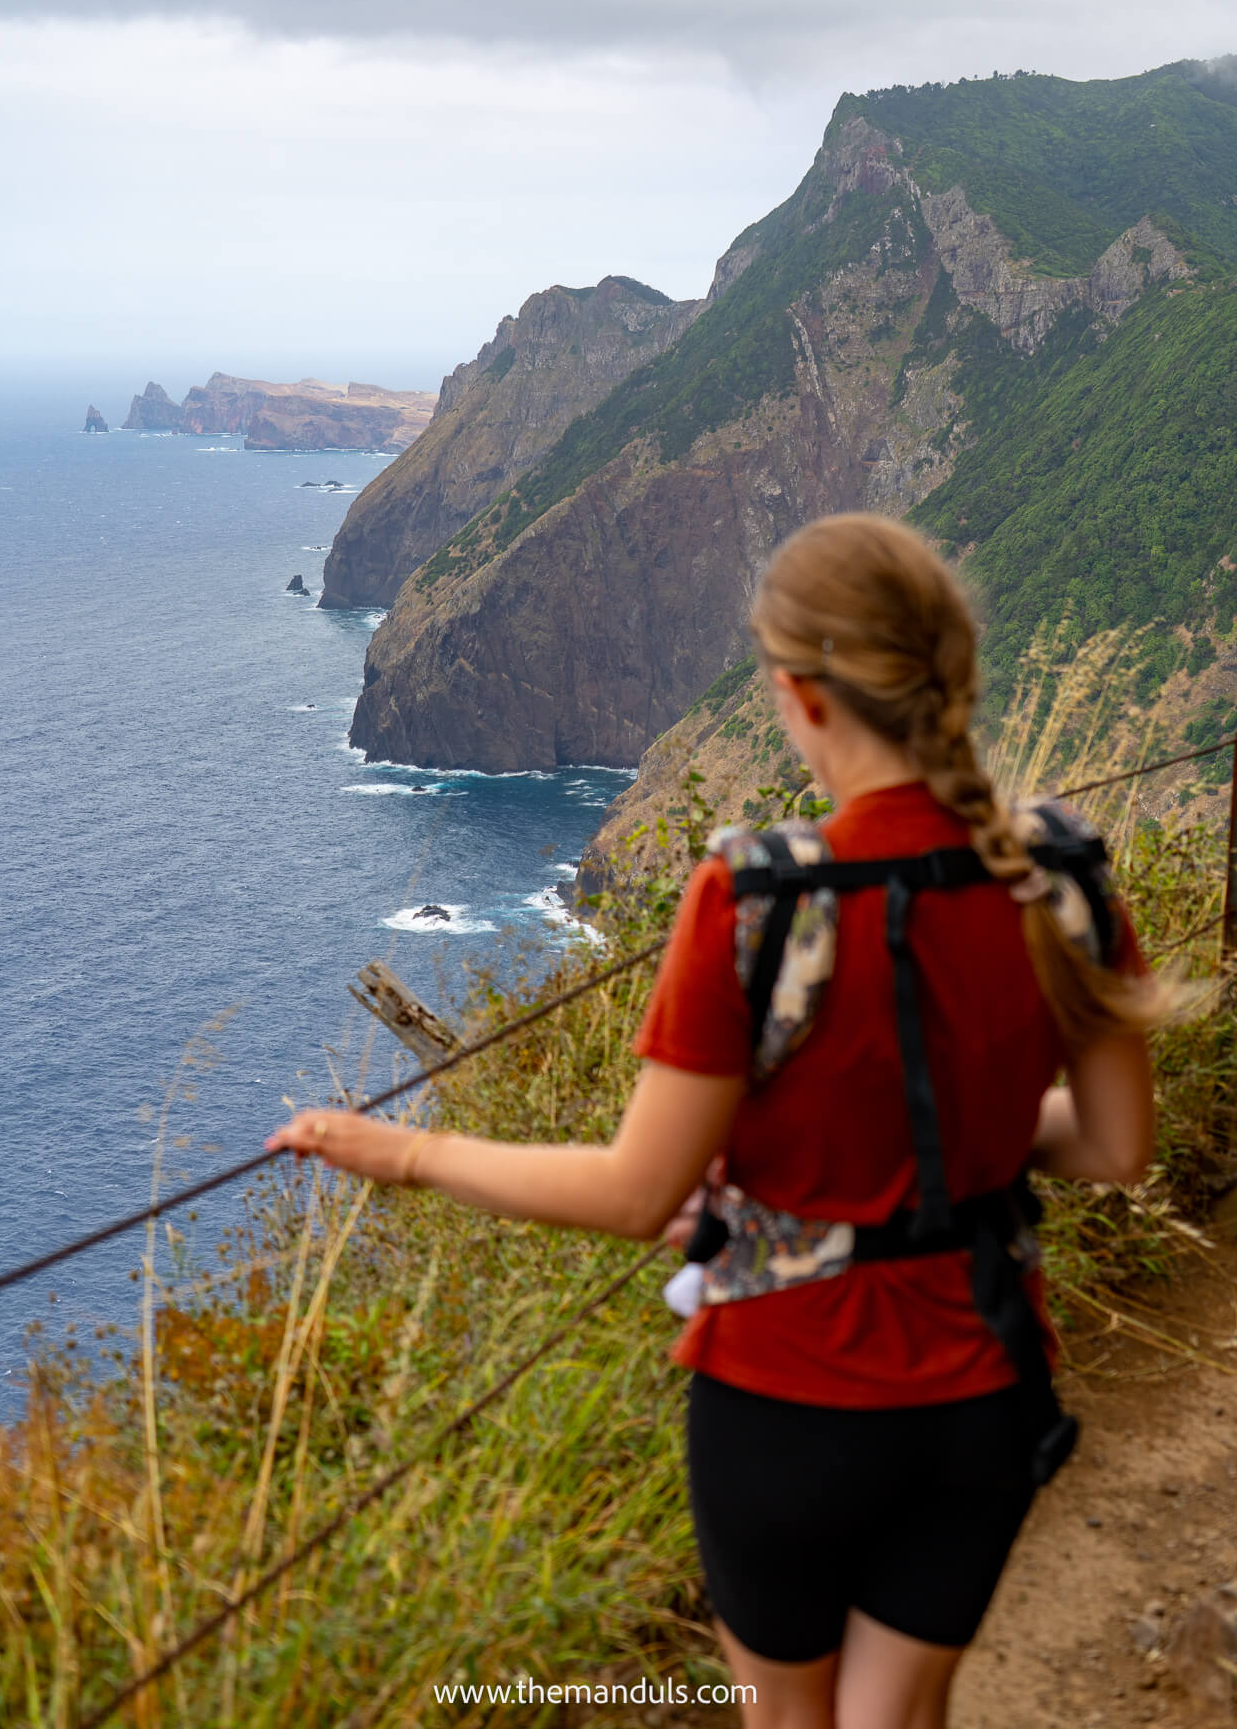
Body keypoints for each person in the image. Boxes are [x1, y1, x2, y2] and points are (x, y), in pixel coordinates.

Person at [268, 513, 1168, 1729]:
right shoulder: (1059, 873)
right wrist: (973, 1129)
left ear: (796, 695)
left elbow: (643, 1194)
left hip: (785, 1398)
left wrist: (408, 1151)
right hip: (982, 1385)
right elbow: (1113, 1148)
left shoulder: (759, 899)